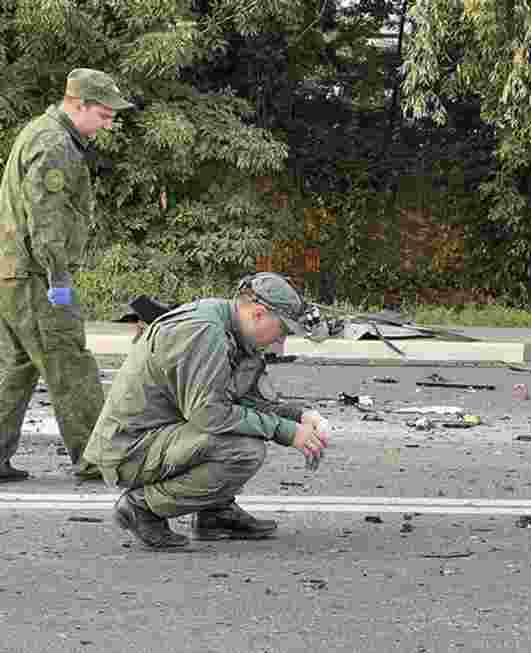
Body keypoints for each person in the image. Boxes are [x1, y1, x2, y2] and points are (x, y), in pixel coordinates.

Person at [82, 272, 331, 549]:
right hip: (129, 449)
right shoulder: (204, 331)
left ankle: (215, 513)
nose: (280, 344)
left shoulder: (232, 327)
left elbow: (244, 399)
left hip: (159, 437)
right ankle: (141, 508)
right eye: (282, 331)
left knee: (244, 428)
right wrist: (285, 431)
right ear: (259, 314)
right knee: (243, 449)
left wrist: (300, 417)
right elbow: (210, 414)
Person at [0, 68, 135, 482]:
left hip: (12, 272)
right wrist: (59, 280)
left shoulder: (40, 132)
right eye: (105, 114)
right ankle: (98, 458)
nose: (109, 123)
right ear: (79, 105)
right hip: (37, 275)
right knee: (71, 365)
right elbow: (47, 220)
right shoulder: (55, 144)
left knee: (17, 366)